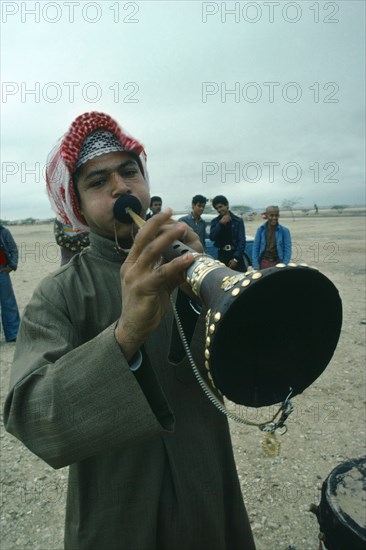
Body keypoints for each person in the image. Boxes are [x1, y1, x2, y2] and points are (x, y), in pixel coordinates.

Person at [4, 112, 256, 550]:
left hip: (207, 483)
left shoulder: (192, 263)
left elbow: (248, 371)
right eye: (97, 181)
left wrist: (207, 295)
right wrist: (124, 337)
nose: (120, 188)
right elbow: (33, 419)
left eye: (129, 171)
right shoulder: (59, 294)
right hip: (118, 506)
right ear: (77, 206)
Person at [210, 195, 246, 271]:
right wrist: (220, 224)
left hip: (236, 256)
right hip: (222, 256)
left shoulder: (238, 221)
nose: (219, 210)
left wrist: (235, 259)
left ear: (227, 205)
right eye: (217, 208)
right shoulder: (215, 222)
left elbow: (242, 241)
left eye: (221, 206)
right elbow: (212, 237)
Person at [252, 205, 292, 270]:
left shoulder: (284, 231)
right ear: (267, 216)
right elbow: (255, 248)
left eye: (276, 215)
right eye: (271, 215)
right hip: (263, 263)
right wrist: (256, 265)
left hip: (278, 263)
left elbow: (288, 250)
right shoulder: (261, 230)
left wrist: (284, 265)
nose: (274, 218)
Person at [0, 224, 20, 342]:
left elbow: (13, 249)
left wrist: (12, 265)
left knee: (8, 303)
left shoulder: (3, 231)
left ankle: (13, 333)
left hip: (2, 271)